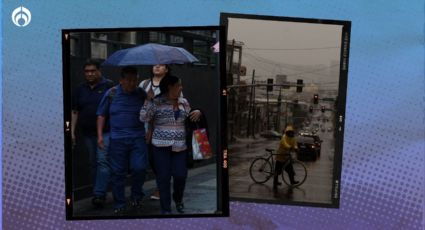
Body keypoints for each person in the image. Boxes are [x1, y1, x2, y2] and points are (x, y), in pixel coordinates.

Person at [139, 64, 201, 200]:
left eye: (161, 65)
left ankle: (171, 195)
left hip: (179, 143)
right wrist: (148, 101)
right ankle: (163, 199)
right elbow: (144, 116)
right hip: (156, 138)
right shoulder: (147, 88)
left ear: (167, 69)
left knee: (179, 174)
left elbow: (186, 114)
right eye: (155, 64)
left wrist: (197, 111)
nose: (157, 67)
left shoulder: (180, 95)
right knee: (160, 171)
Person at [96, 66, 148, 214]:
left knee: (140, 168)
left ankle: (136, 196)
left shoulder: (141, 93)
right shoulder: (111, 93)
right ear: (121, 80)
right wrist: (100, 136)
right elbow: (101, 115)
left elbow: (149, 113)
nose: (132, 83)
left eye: (135, 80)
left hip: (137, 138)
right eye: (129, 80)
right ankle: (119, 202)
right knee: (118, 173)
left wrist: (150, 100)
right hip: (117, 139)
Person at [71, 59, 114, 207]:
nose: (89, 74)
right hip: (87, 133)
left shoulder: (109, 86)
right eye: (87, 71)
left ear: (99, 71)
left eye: (92, 71)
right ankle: (99, 190)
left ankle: (99, 194)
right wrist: (72, 132)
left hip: (106, 131)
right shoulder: (80, 89)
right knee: (93, 163)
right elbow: (75, 111)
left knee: (102, 161)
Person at [273, 125, 299, 189]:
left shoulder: (293, 138)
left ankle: (292, 181)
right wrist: (289, 147)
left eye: (291, 132)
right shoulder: (284, 137)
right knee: (277, 171)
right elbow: (284, 144)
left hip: (286, 157)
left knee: (290, 170)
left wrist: (295, 148)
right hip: (280, 156)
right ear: (287, 132)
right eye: (289, 132)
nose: (290, 133)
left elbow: (295, 144)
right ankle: (275, 182)